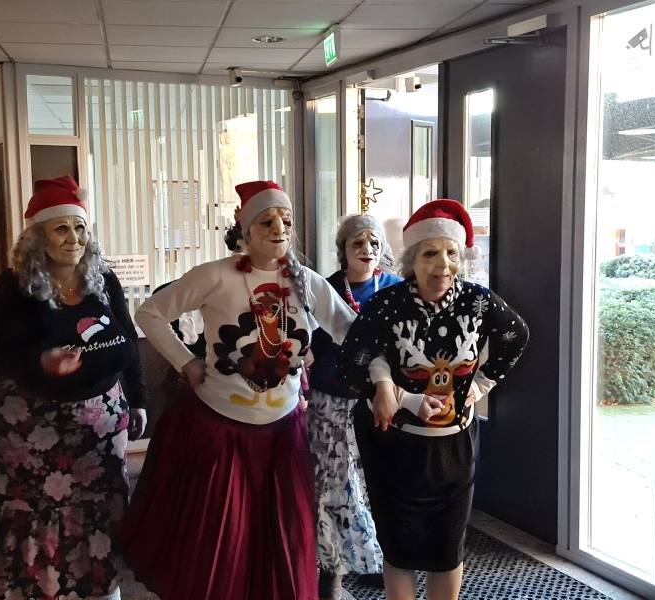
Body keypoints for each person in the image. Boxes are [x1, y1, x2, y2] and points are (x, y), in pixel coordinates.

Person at [120, 180, 356, 600]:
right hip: (221, 435)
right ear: (245, 228)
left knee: (282, 544)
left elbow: (352, 332)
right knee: (222, 545)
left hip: (283, 435)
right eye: (267, 221)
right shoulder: (215, 275)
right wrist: (186, 362)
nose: (279, 229)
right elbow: (150, 313)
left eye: (286, 221)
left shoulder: (307, 282)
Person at [0, 176, 148, 600]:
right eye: (61, 228)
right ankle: (38, 586)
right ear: (38, 236)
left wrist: (139, 400)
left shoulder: (104, 280)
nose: (74, 238)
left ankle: (99, 587)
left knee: (97, 511)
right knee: (37, 516)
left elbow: (127, 341)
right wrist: (42, 363)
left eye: (80, 227)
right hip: (31, 432)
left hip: (100, 431)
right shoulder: (14, 286)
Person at [338, 200, 529, 600]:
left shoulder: (478, 301)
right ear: (412, 260)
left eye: (451, 253)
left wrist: (483, 383)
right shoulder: (387, 303)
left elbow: (516, 334)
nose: (443, 265)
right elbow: (351, 364)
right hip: (394, 445)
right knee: (399, 549)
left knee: (447, 550)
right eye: (430, 254)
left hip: (454, 448)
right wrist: (391, 391)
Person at [306, 215, 400, 600]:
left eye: (374, 243)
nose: (367, 250)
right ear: (342, 250)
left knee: (375, 484)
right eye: (357, 243)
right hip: (329, 400)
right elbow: (313, 344)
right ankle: (332, 570)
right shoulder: (325, 288)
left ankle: (376, 560)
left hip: (380, 402)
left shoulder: (395, 289)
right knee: (332, 488)